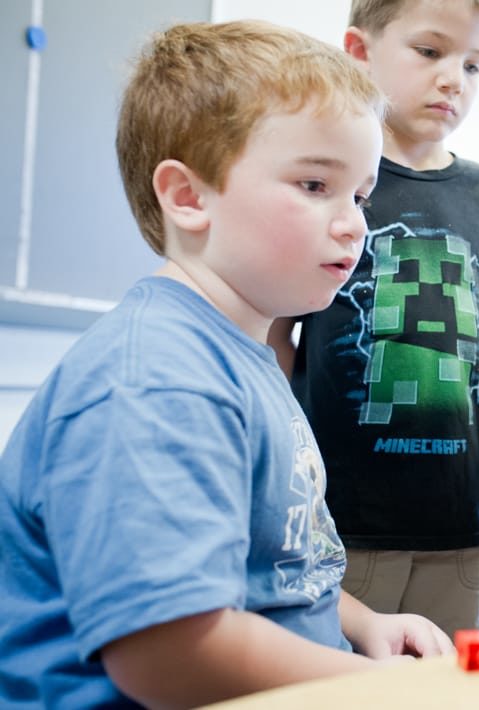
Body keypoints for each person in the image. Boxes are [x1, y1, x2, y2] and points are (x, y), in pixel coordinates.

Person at [0, 21, 453, 708]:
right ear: (188, 197)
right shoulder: (156, 380)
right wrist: (386, 692)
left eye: (359, 196)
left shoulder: (241, 356)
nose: (355, 223)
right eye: (313, 184)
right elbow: (168, 651)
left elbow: (273, 571)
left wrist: (365, 625)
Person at [269, 0, 479, 639]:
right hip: (344, 514)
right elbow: (277, 337)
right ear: (359, 53)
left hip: (456, 514)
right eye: (430, 52)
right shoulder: (333, 186)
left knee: (439, 680)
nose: (454, 79)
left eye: (474, 64)